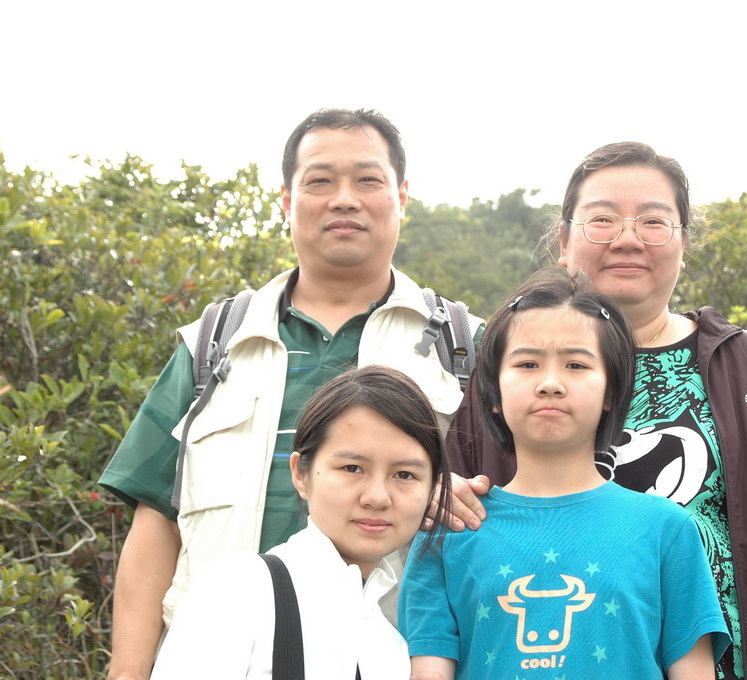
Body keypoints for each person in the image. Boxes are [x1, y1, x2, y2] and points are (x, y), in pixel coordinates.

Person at [443, 143, 747, 679]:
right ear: (564, 241)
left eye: (653, 221)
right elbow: (445, 535)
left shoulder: (745, 365)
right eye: (602, 219)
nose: (628, 239)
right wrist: (438, 497)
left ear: (684, 243)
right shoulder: (510, 369)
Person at [99, 108, 483, 680]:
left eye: (368, 180)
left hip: (393, 660)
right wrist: (128, 671)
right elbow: (157, 518)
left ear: (402, 196)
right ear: (286, 200)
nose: (344, 200)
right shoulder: (214, 343)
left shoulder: (466, 348)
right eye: (320, 181)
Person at [400, 268, 731, 680]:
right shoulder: (447, 534)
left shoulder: (668, 530)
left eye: (576, 364)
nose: (550, 383)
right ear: (494, 393)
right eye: (527, 364)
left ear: (611, 392)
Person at [150, 365, 452, 678]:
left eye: (405, 474)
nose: (377, 497)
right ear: (300, 474)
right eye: (352, 468)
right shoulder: (239, 592)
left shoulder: (393, 649)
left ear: (433, 487)